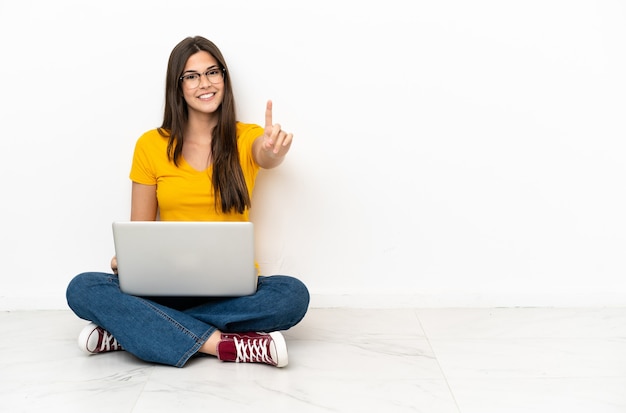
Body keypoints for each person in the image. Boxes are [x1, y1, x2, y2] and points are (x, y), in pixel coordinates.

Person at [66, 36, 310, 368]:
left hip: (231, 290)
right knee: (82, 288)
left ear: (224, 77)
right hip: (164, 287)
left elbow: (264, 155)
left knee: (292, 295)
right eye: (192, 76)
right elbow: (139, 232)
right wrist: (123, 260)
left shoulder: (246, 137)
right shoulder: (150, 145)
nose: (205, 83)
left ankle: (130, 331)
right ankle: (224, 345)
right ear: (177, 86)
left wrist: (271, 151)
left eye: (213, 72)